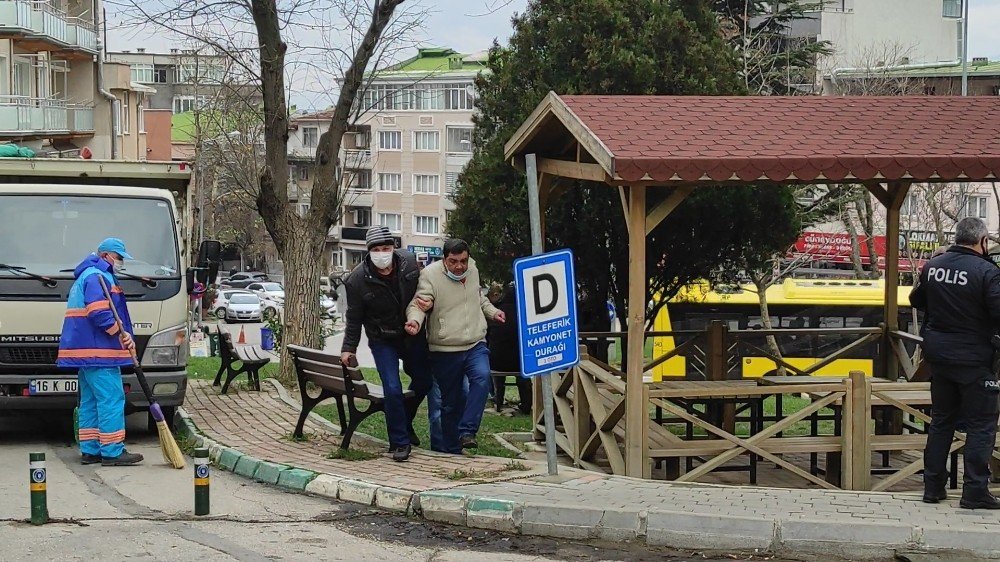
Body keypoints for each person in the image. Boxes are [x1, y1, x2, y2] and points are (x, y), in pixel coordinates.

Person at [911, 217, 1000, 509]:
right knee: (982, 425)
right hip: (975, 360)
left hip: (939, 357)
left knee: (941, 421)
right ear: (982, 241)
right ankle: (974, 491)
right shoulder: (987, 272)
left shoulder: (933, 266)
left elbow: (917, 300)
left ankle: (933, 486)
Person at [340, 226, 432, 462]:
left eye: (386, 248)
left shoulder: (409, 263)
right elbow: (354, 317)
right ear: (369, 252)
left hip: (411, 334)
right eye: (377, 249)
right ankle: (399, 442)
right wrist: (348, 348)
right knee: (392, 388)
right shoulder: (357, 280)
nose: (382, 253)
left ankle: (405, 420)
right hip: (382, 340)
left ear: (393, 248)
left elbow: (423, 292)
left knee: (424, 380)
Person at [405, 239, 505, 453]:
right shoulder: (430, 275)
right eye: (453, 261)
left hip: (475, 343)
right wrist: (414, 320)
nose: (459, 266)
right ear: (444, 260)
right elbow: (419, 304)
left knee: (482, 378)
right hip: (445, 349)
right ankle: (450, 450)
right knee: (451, 403)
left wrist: (492, 312)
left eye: (463, 261)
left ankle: (467, 431)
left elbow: (479, 299)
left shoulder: (473, 269)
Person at [57, 238, 143, 467]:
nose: (121, 262)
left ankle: (91, 448)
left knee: (91, 400)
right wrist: (120, 333)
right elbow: (99, 313)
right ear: (107, 256)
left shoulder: (87, 275)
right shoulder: (98, 276)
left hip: (86, 353)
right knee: (112, 398)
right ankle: (113, 451)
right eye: (120, 257)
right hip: (99, 351)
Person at [487, 281, 532, 414]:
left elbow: (487, 336)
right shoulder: (525, 314)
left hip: (497, 361)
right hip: (520, 362)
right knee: (524, 373)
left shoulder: (496, 313)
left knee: (494, 367)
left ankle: (497, 400)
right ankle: (526, 404)